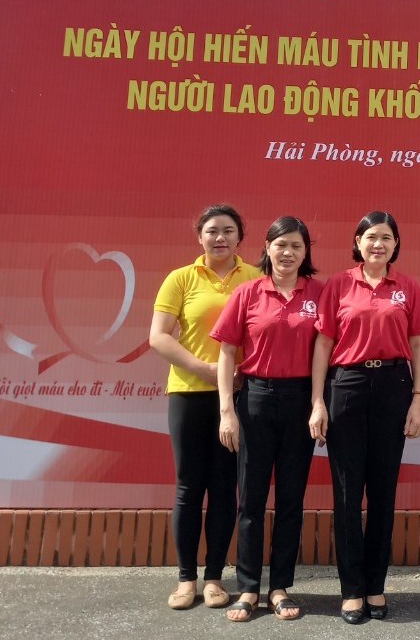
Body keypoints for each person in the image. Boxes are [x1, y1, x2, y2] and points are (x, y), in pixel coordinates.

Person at [309, 211, 420, 624]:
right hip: (346, 385)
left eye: (386, 238)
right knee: (347, 492)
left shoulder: (408, 287)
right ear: (358, 242)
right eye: (370, 237)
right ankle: (351, 590)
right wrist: (318, 402)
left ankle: (376, 585)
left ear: (396, 244)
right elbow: (323, 344)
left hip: (394, 386)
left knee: (383, 491)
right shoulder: (339, 285)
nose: (378, 244)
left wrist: (418, 399)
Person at [210, 216, 323, 622]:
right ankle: (248, 588)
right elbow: (226, 354)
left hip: (301, 401)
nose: (288, 253)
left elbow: (327, 350)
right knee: (251, 500)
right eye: (281, 245)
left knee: (291, 499)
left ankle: (280, 587)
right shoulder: (248, 292)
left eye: (296, 246)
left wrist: (318, 403)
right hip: (255, 399)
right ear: (267, 248)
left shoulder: (320, 293)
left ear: (306, 252)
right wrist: (227, 411)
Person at [150, 204, 261, 610]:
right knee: (188, 486)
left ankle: (214, 577)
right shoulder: (180, 278)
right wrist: (206, 369)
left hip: (239, 396)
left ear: (240, 237)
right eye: (212, 230)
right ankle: (186, 579)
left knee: (224, 487)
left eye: (229, 230)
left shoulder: (256, 278)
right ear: (199, 236)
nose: (220, 238)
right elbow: (159, 337)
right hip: (189, 394)